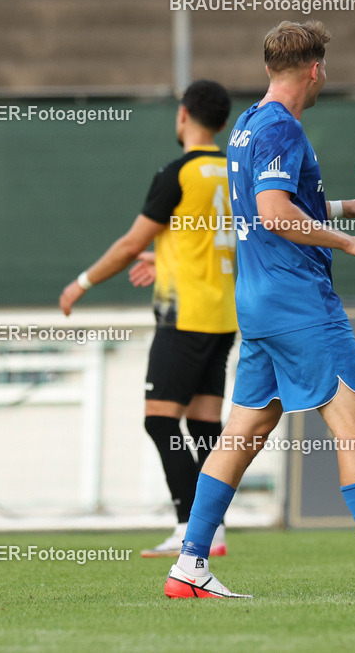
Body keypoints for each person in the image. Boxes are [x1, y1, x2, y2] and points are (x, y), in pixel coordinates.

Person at [163, 20, 355, 600]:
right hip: (299, 302)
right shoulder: (282, 127)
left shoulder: (249, 124)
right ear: (316, 69)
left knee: (244, 430)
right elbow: (276, 214)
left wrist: (347, 207)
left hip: (257, 302)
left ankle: (190, 565)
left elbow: (274, 204)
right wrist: (347, 242)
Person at [59, 80, 236, 558]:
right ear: (223, 123)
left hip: (184, 316)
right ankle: (212, 530)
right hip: (224, 315)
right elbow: (220, 237)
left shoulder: (176, 173)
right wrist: (168, 259)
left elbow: (129, 245)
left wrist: (82, 283)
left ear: (183, 115)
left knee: (160, 422)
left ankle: (190, 526)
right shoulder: (233, 171)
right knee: (203, 426)